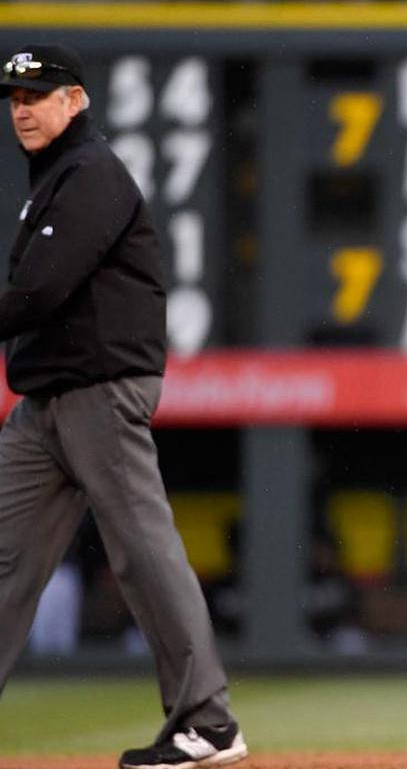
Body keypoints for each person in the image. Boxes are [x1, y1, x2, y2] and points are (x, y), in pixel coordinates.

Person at [0, 44, 247, 769]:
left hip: (100, 392)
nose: (22, 109)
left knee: (144, 554)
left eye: (37, 96)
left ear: (75, 101)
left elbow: (43, 291)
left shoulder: (90, 174)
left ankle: (209, 722)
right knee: (4, 559)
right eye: (15, 99)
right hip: (44, 401)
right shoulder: (53, 177)